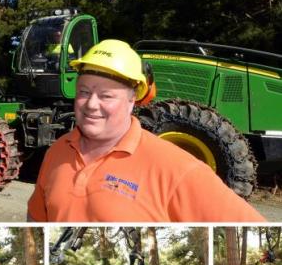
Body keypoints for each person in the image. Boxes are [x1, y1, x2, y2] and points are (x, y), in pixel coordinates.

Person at [27, 39, 266, 222]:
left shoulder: (177, 168)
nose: (91, 104)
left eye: (106, 96)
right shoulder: (57, 152)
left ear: (133, 99)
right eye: (84, 92)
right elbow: (37, 218)